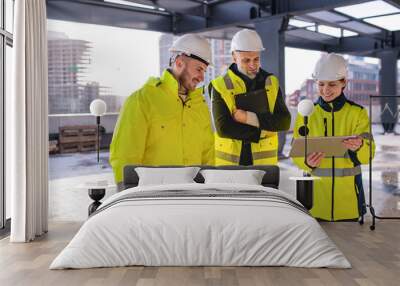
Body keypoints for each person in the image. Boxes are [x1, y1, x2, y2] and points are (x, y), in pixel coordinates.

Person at [110, 34, 214, 186]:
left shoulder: (200, 106)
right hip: (154, 198)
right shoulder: (142, 100)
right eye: (199, 69)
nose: (201, 77)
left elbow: (208, 155)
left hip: (193, 197)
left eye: (204, 71)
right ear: (179, 63)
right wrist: (128, 198)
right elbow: (125, 156)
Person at [292, 53, 376, 221]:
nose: (325, 90)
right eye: (321, 84)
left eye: (332, 84)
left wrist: (359, 147)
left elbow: (368, 156)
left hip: (349, 201)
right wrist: (307, 162)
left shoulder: (357, 113)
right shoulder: (307, 113)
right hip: (315, 201)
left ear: (344, 82)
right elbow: (297, 153)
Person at [209, 29, 291, 166]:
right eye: (246, 60)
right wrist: (262, 132)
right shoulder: (219, 85)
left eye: (256, 59)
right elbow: (224, 128)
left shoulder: (271, 82)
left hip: (264, 165)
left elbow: (284, 122)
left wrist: (247, 118)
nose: (253, 65)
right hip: (231, 166)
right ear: (234, 57)